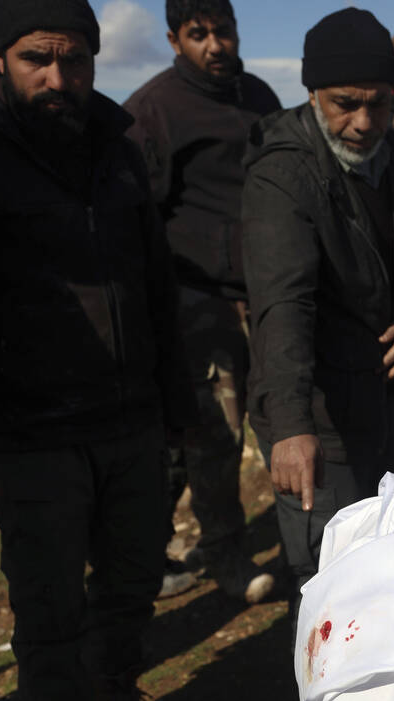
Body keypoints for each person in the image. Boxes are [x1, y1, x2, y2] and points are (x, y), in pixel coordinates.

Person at [0, 0, 201, 701]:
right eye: (35, 59)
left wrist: (175, 401)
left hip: (129, 417)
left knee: (130, 581)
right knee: (46, 608)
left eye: (73, 59)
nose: (57, 77)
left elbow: (153, 281)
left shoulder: (116, 142)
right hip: (30, 430)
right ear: (2, 58)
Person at [242, 8, 394, 626]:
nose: (362, 122)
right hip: (319, 420)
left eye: (378, 104)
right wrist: (292, 426)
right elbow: (282, 306)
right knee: (331, 589)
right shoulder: (283, 175)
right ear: (312, 93)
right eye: (343, 104)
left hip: (386, 404)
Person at [124, 0, 280, 605]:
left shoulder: (260, 96)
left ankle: (310, 545)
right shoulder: (153, 110)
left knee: (282, 423)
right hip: (197, 308)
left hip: (267, 296)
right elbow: (138, 216)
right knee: (213, 439)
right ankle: (226, 556)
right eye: (199, 34)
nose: (214, 45)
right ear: (173, 39)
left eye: (224, 31)